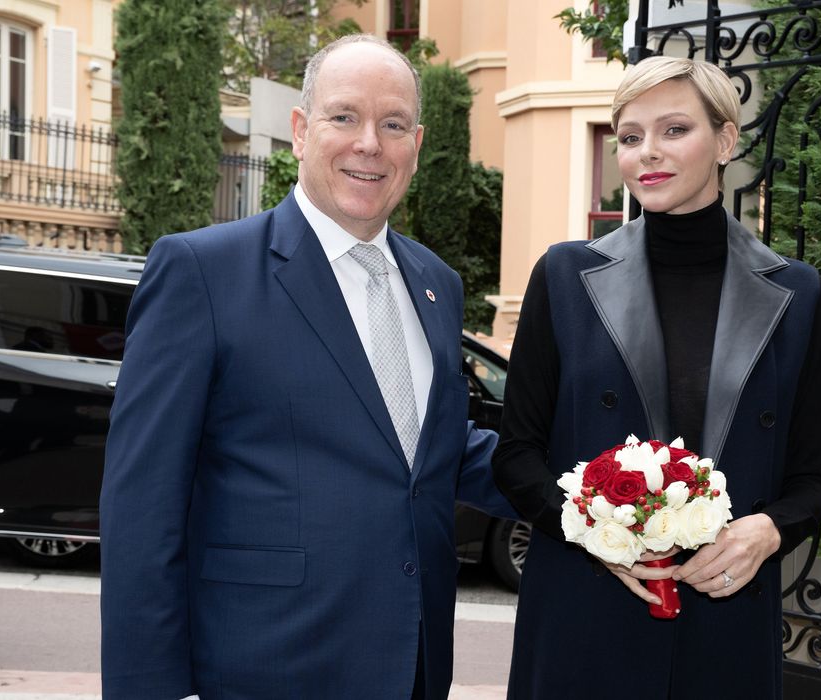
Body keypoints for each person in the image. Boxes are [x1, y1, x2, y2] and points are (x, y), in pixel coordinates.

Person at [100, 34, 515, 700]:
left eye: (393, 124)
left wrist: (599, 492)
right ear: (299, 130)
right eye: (344, 116)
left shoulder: (436, 283)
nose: (369, 144)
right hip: (260, 668)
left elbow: (430, 450)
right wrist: (149, 688)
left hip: (410, 665)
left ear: (416, 141)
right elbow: (143, 502)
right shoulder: (202, 272)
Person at [491, 55, 821, 698]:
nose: (647, 153)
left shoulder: (798, 294)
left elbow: (812, 479)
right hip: (585, 612)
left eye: (674, 130)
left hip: (725, 615)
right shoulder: (565, 277)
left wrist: (767, 531)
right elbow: (517, 456)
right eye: (629, 136)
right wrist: (594, 534)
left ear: (726, 140)